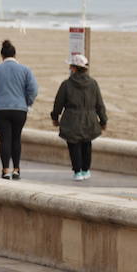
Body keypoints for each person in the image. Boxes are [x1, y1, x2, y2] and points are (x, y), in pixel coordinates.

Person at [0, 39, 38, 180]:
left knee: (4, 139)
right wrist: (27, 103)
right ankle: (17, 169)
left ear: (2, 55)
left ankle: (5, 169)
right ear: (15, 54)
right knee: (16, 138)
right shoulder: (25, 70)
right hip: (19, 108)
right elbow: (33, 89)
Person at [51, 53, 107, 181]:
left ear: (74, 68)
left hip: (72, 119)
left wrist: (55, 117)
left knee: (74, 144)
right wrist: (103, 120)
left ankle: (77, 171)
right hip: (89, 119)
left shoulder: (66, 84)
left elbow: (58, 103)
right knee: (87, 143)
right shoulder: (93, 84)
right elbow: (99, 104)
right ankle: (86, 169)